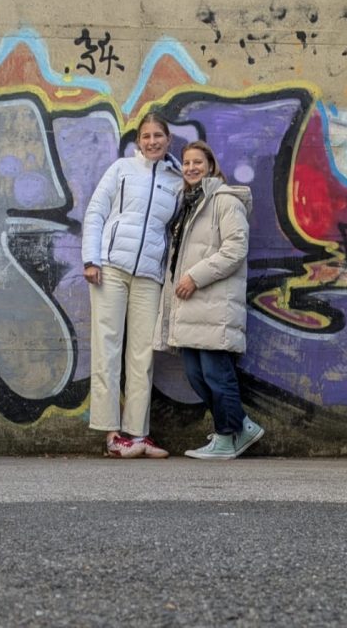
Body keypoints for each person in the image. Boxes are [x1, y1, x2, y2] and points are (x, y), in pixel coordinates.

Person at [154, 140, 264, 460]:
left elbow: (235, 249)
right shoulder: (189, 204)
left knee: (217, 375)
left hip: (214, 303)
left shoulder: (225, 201)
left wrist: (194, 277)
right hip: (191, 306)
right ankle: (241, 427)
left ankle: (227, 437)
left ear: (211, 166)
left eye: (198, 162)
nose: (191, 168)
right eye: (187, 163)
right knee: (196, 374)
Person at [82, 112, 183, 459]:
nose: (152, 141)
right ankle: (112, 435)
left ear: (168, 140)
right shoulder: (121, 169)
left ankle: (138, 434)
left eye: (158, 135)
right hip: (110, 268)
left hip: (149, 276)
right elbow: (96, 212)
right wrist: (91, 259)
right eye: (146, 136)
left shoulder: (176, 182)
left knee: (143, 354)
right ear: (138, 141)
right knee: (107, 348)